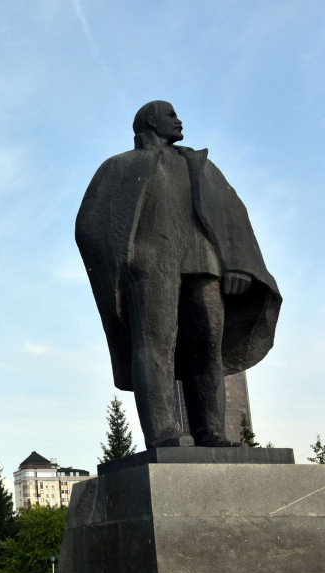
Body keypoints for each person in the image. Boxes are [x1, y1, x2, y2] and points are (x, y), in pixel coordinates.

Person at [75, 101, 281, 450]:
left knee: (207, 347)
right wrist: (126, 262)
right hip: (151, 267)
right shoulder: (119, 167)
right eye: (171, 115)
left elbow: (233, 215)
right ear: (151, 121)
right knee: (155, 345)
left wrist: (238, 264)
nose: (179, 120)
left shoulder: (199, 166)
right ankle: (163, 432)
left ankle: (211, 432)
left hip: (205, 263)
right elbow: (90, 225)